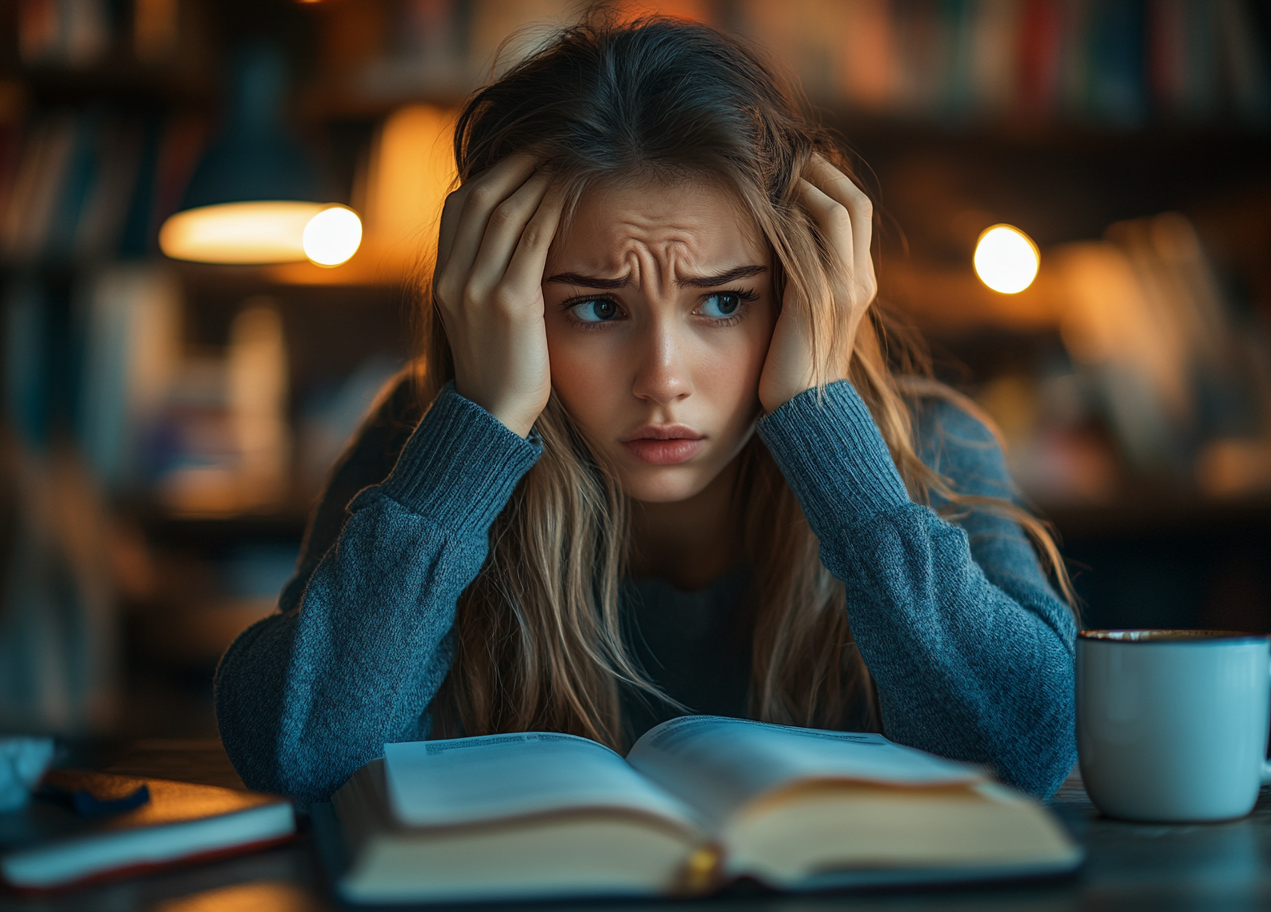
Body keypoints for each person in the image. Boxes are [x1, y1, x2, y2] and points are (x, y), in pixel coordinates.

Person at [215, 15, 1078, 806]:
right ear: (502, 304)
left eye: (724, 303)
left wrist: (825, 429)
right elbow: (301, 751)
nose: (663, 377)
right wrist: (476, 431)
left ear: (808, 292)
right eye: (596, 307)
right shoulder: (431, 441)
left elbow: (1028, 750)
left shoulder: (926, 442)